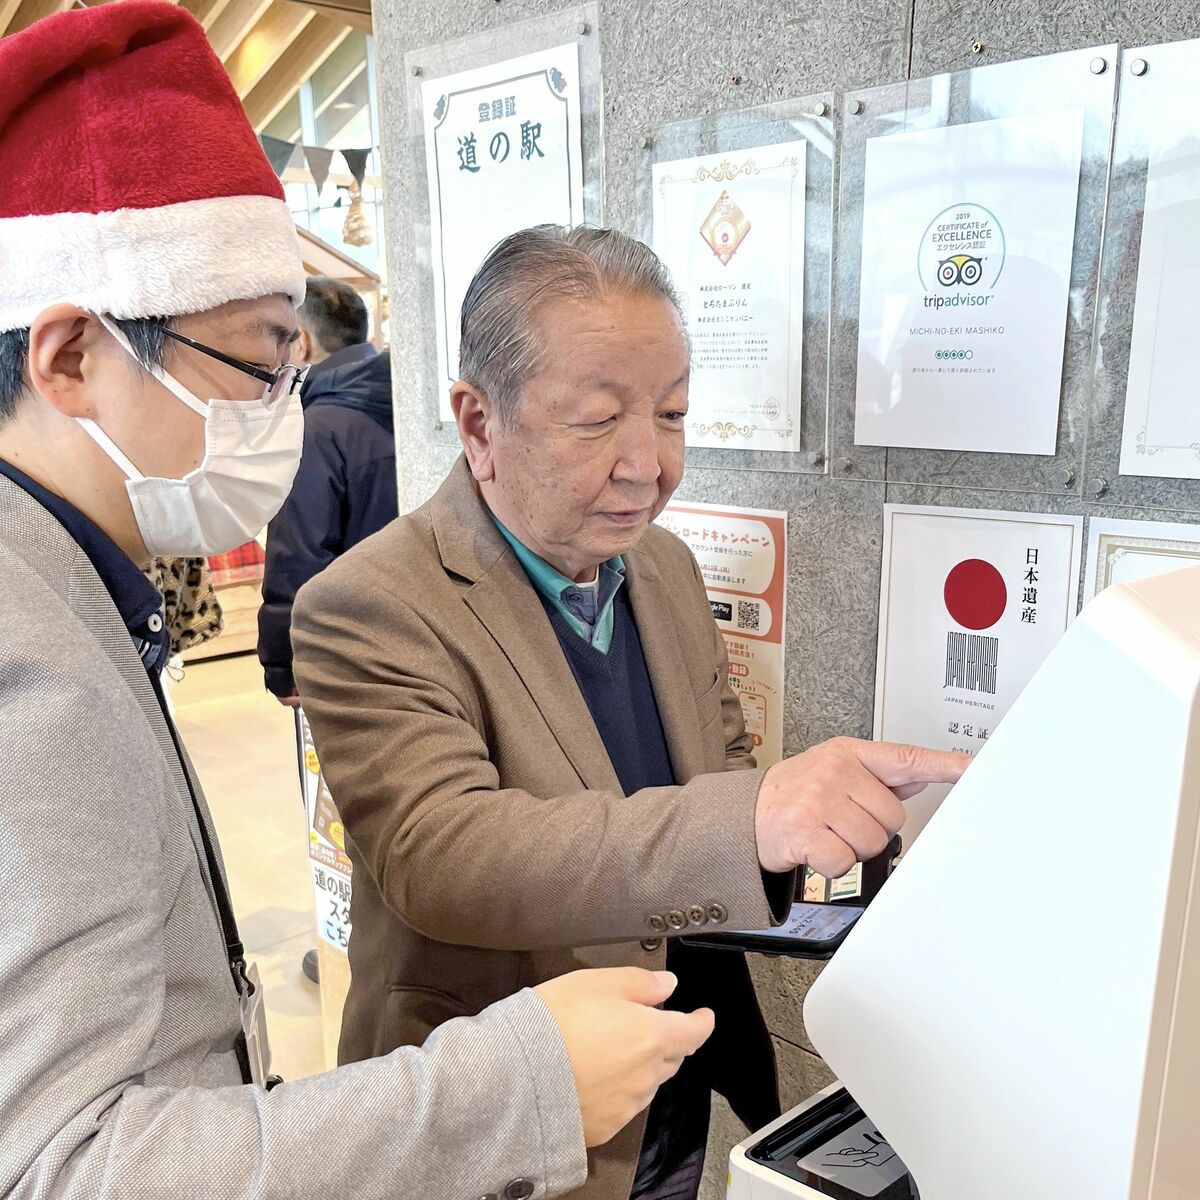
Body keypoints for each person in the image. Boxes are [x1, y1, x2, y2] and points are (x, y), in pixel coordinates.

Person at [0, 10, 713, 1197]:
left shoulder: (75, 591)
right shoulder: (36, 663)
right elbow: (70, 1161)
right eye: (260, 360)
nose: (288, 407)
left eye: (675, 415)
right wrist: (525, 1082)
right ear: (72, 357)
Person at [291, 225, 970, 1200]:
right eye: (598, 419)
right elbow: (444, 855)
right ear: (478, 423)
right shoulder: (371, 604)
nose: (648, 464)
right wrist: (754, 818)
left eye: (673, 413)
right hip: (512, 1117)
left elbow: (717, 771)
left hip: (677, 1074)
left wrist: (842, 864)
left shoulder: (664, 567)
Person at [258, 277, 396, 707]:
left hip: (349, 655)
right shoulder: (411, 402)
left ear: (302, 344)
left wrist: (286, 665)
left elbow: (299, 554)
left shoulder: (316, 427)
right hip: (423, 635)